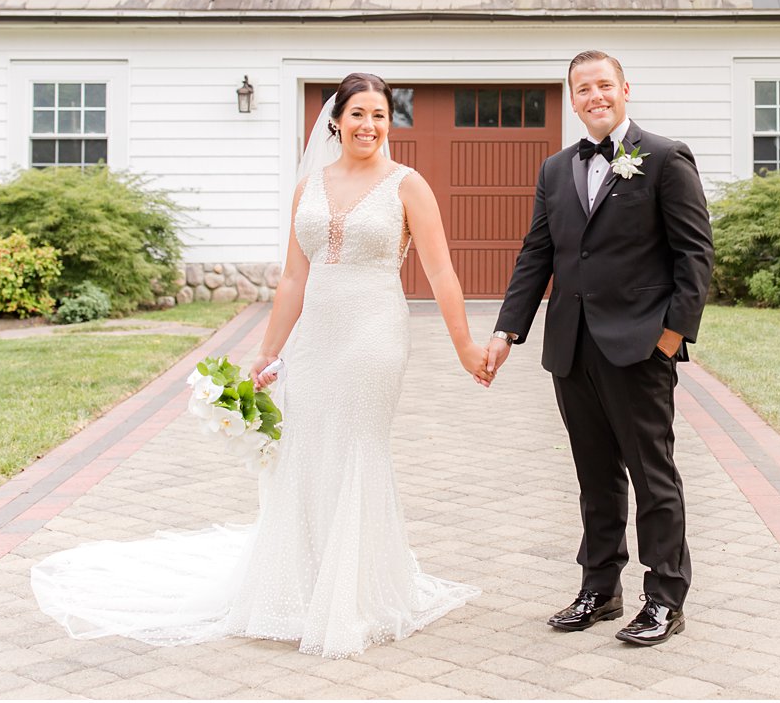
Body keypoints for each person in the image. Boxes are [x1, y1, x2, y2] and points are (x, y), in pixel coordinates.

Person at [32, 72, 490, 658]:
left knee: (356, 447)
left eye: (380, 114)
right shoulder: (311, 187)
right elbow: (295, 277)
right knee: (305, 449)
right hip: (317, 339)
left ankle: (355, 596)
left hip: (374, 333)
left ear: (389, 123)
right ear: (335, 121)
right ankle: (301, 586)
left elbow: (441, 272)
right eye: (357, 114)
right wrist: (268, 351)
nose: (369, 125)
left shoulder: (408, 186)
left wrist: (464, 347)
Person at [484, 50, 713, 647]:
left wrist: (671, 336)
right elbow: (539, 254)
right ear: (573, 98)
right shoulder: (556, 169)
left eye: (604, 85)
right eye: (583, 88)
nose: (595, 96)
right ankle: (599, 589)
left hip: (640, 346)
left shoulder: (664, 158)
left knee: (652, 476)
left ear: (624, 88)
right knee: (594, 476)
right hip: (572, 348)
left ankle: (665, 597)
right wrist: (507, 330)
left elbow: (696, 255)